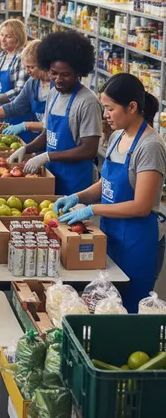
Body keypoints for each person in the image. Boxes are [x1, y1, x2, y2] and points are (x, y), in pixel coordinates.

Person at [54, 74, 166, 312]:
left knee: (130, 308)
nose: (105, 115)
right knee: (107, 304)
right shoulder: (118, 136)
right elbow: (106, 184)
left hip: (137, 242)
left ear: (132, 107)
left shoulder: (150, 146)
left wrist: (92, 209)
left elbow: (141, 206)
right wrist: (78, 197)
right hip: (111, 234)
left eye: (109, 109)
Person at [8, 30, 101, 195]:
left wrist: (47, 156)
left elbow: (89, 149)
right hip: (52, 176)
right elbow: (47, 135)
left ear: (79, 72)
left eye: (66, 74)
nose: (58, 79)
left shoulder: (87, 101)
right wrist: (26, 149)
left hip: (75, 183)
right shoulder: (53, 94)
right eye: (54, 73)